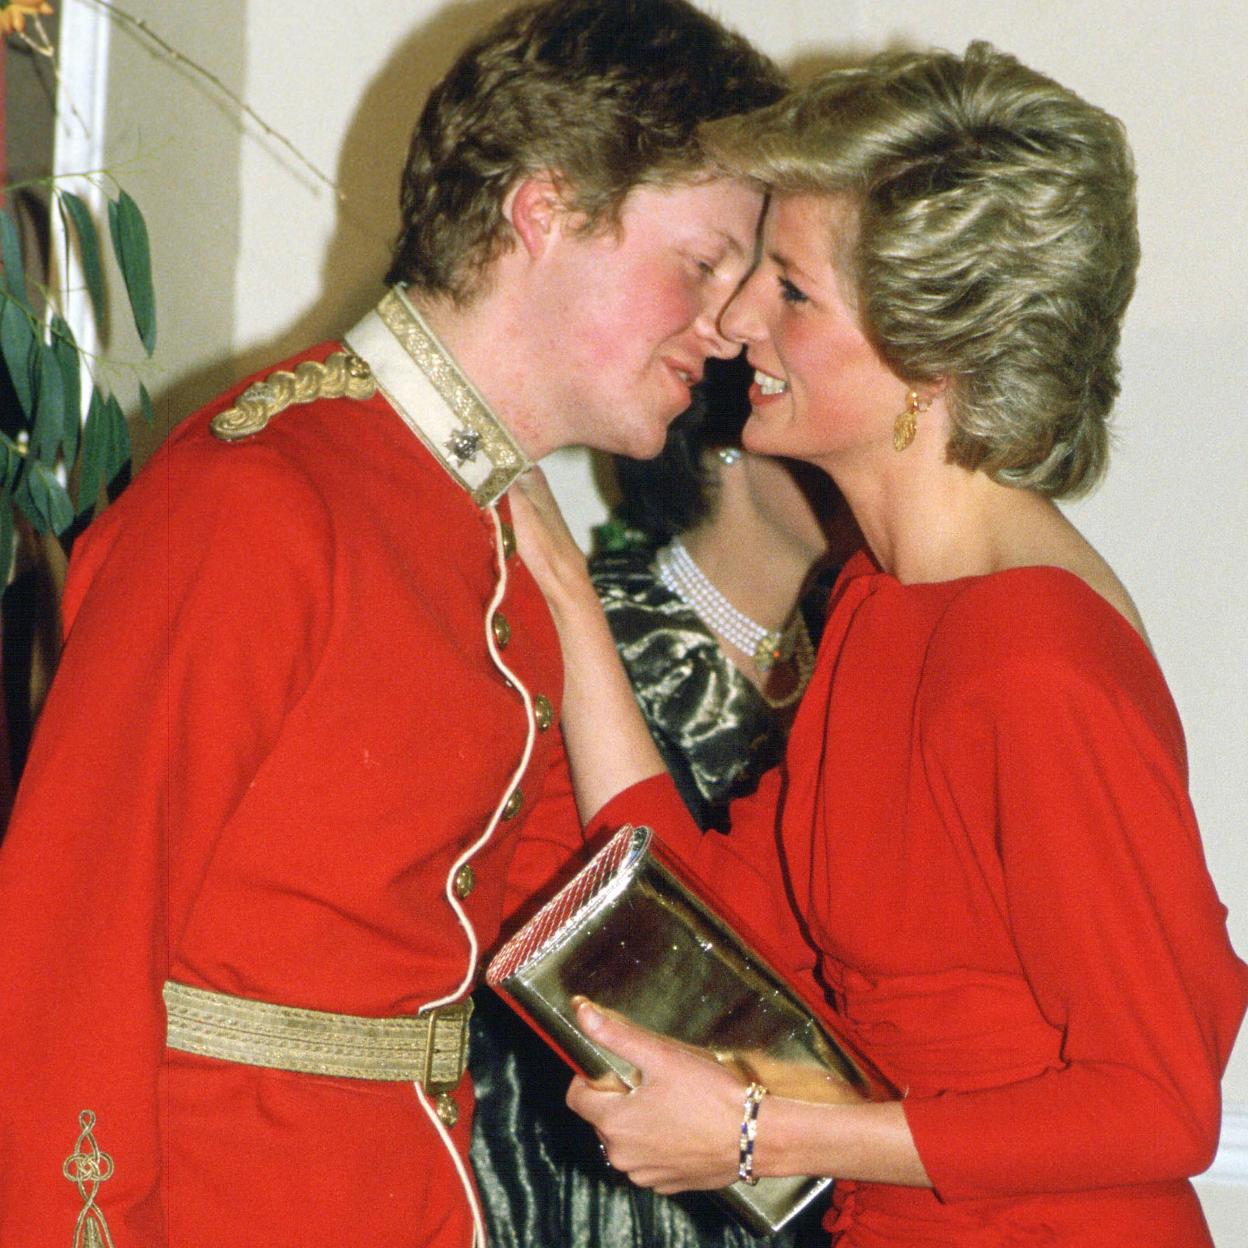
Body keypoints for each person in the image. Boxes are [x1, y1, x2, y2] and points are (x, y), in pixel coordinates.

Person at [0, 2, 784, 1245]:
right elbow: (60, 962)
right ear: (543, 212)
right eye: (701, 264)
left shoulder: (489, 536)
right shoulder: (260, 499)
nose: (731, 323)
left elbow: (601, 942)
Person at [509, 41, 1248, 1247]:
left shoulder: (1027, 653)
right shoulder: (879, 602)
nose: (739, 315)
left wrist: (761, 1133)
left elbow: (1160, 1103)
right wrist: (567, 601)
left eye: (790, 289)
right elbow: (731, 920)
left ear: (930, 359)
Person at [470, 352, 844, 1248]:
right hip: (600, 1186)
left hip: (809, 1176)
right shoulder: (584, 639)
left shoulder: (860, 648)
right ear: (728, 444)